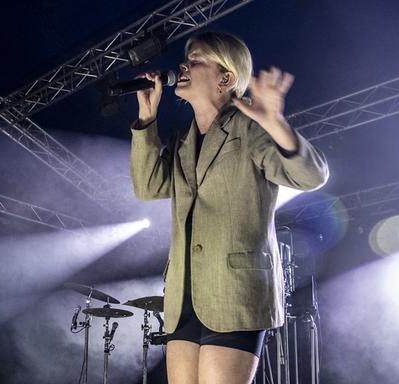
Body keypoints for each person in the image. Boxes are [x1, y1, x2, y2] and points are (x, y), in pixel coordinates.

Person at [130, 31, 329, 383]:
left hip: (235, 293)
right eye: (185, 59)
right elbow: (148, 187)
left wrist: (273, 121)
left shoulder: (249, 130)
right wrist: (146, 120)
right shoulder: (182, 141)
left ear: (226, 78)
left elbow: (311, 176)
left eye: (195, 59)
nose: (183, 65)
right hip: (184, 298)